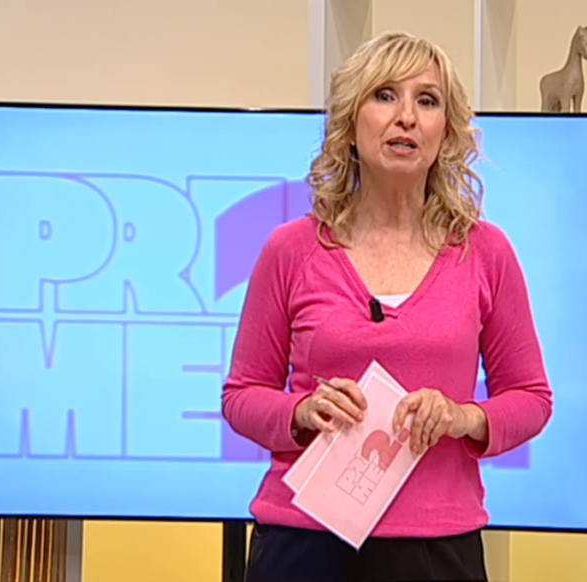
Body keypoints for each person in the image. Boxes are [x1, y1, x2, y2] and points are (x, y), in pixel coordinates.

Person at [221, 29, 553, 582]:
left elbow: (532, 398)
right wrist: (302, 412)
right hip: (304, 542)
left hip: (436, 547)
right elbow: (241, 396)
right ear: (351, 123)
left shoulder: (485, 253)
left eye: (428, 101)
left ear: (446, 132)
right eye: (384, 95)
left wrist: (462, 416)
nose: (406, 117)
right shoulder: (291, 250)